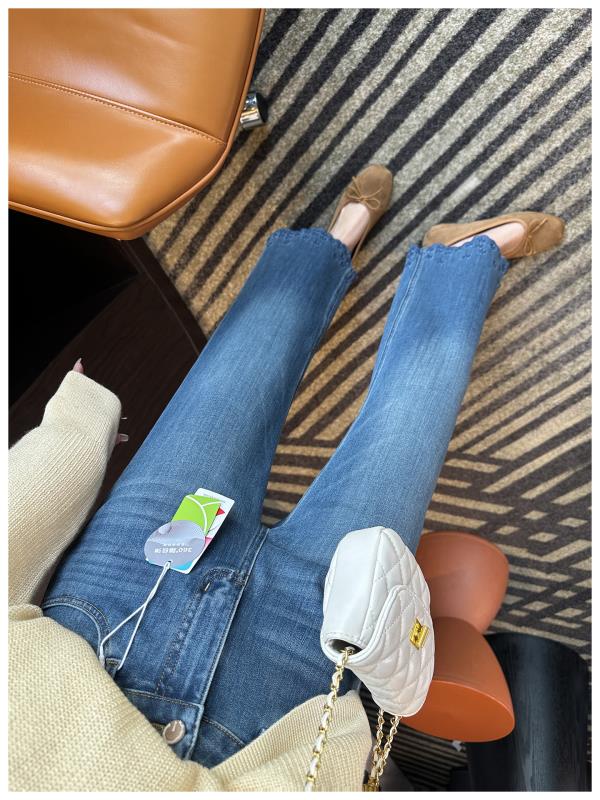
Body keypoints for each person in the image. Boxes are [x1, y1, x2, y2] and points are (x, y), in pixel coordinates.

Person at [8, 164, 564, 790]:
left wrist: (69, 436)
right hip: (292, 678)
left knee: (238, 374)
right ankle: (460, 264)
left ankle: (330, 245)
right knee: (409, 433)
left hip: (123, 587)